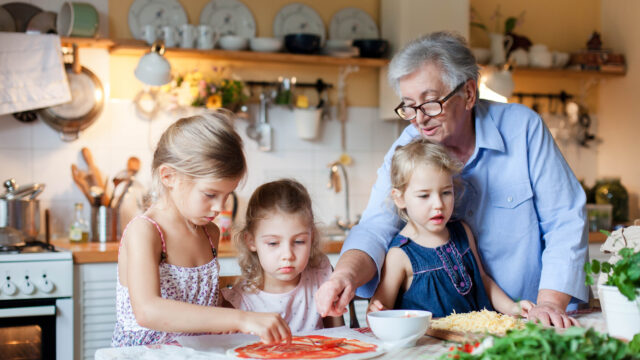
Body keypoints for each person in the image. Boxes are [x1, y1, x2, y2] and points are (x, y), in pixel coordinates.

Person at [316, 31, 588, 328]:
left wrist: (549, 303)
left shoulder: (523, 128)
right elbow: (375, 227)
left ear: (469, 94)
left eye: (431, 103)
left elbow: (565, 219)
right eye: (408, 105)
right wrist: (344, 275)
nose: (419, 118)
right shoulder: (409, 146)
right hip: (453, 331)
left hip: (534, 317)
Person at [112, 111, 291, 347]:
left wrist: (261, 310)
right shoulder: (146, 232)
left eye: (228, 195)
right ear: (169, 176)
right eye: (210, 194)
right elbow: (148, 311)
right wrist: (242, 319)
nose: (221, 206)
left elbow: (208, 305)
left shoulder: (209, 233)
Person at [367, 139, 534, 318]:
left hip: (477, 340)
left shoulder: (462, 231)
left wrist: (512, 307)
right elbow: (379, 308)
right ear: (400, 199)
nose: (438, 204)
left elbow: (483, 280)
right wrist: (376, 311)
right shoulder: (399, 254)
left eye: (446, 192)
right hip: (428, 345)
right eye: (424, 195)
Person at [222, 179, 344, 332]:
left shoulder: (321, 274)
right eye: (273, 243)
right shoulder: (240, 302)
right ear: (251, 241)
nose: (288, 255)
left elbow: (340, 335)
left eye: (299, 241)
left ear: (311, 237)